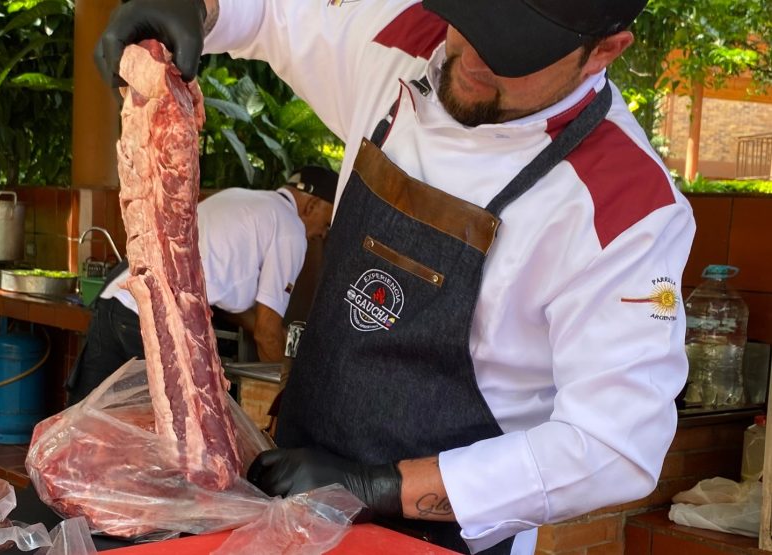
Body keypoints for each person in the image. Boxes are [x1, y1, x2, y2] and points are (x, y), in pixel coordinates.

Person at [94, 1, 696, 553]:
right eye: (473, 22)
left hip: (439, 535)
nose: (475, 60)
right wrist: (199, 8)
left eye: (514, 52)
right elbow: (277, 17)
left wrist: (377, 486)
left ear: (606, 50)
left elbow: (613, 448)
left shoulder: (628, 208)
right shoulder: (408, 44)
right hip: (292, 501)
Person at [64, 166, 337, 406]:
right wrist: (285, 399)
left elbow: (221, 294)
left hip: (118, 297)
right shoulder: (291, 229)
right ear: (311, 204)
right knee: (167, 430)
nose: (323, 234)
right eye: (326, 223)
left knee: (86, 417)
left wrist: (277, 331)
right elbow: (266, 334)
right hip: (155, 315)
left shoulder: (242, 198)